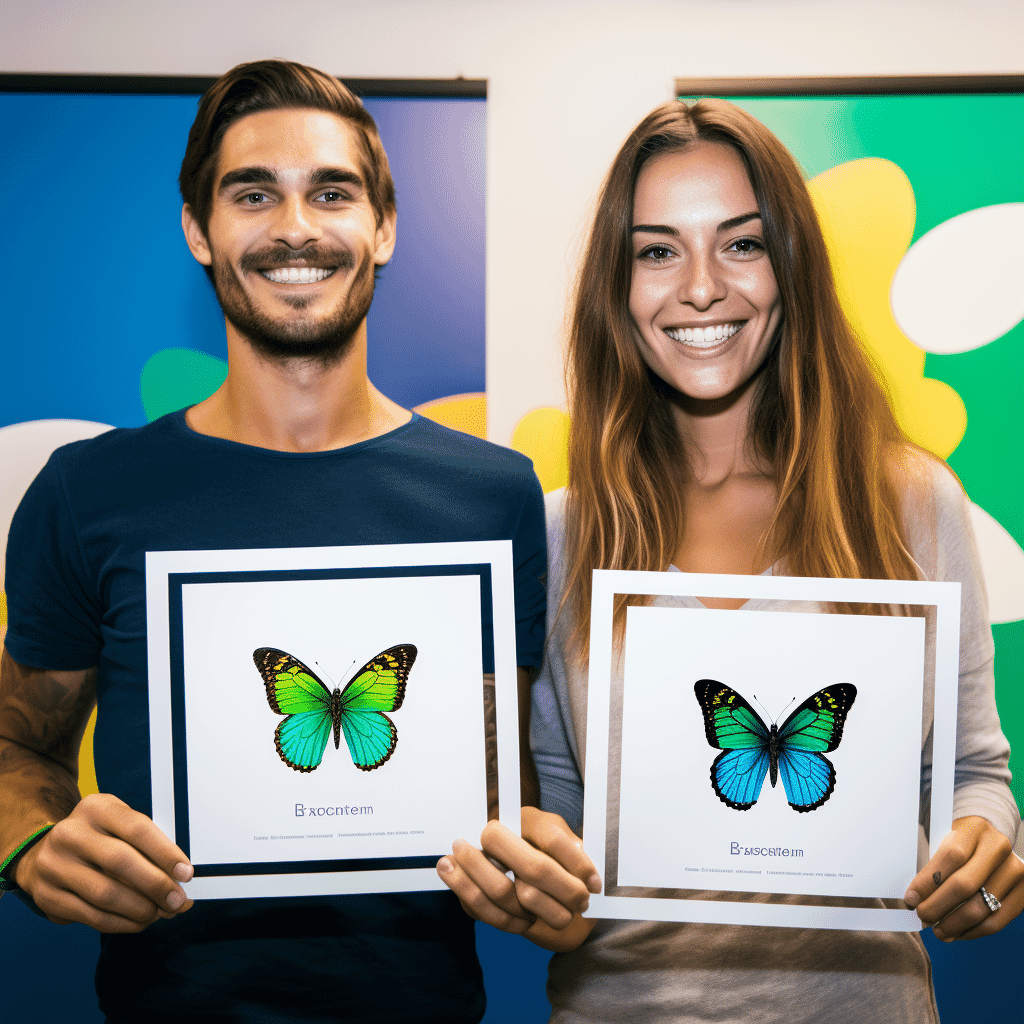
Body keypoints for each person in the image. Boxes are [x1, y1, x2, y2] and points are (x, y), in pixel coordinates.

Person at [438, 99, 1024, 1021]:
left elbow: (972, 775)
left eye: (742, 244)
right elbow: (550, 803)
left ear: (791, 268)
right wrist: (536, 882)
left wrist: (984, 854)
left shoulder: (908, 501)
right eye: (658, 250)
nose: (702, 287)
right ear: (617, 286)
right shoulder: (560, 531)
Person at [0, 60, 546, 1024]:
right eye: (254, 194)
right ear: (197, 231)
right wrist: (32, 844)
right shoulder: (87, 492)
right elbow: (12, 739)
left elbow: (516, 777)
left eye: (330, 192)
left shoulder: (493, 497)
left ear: (383, 228)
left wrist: (537, 859)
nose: (295, 227)